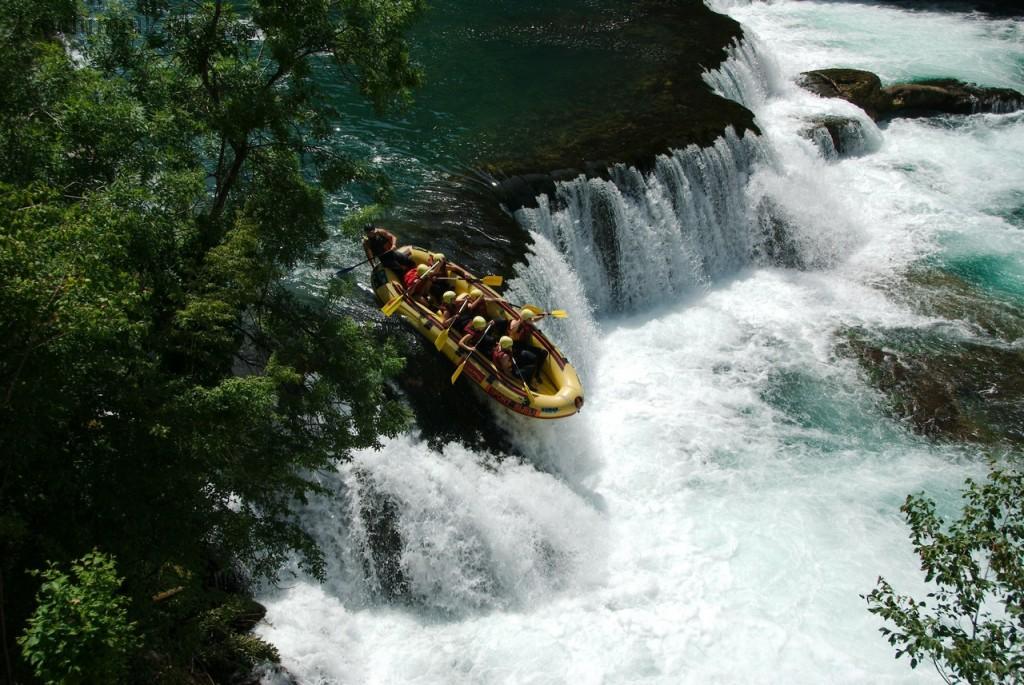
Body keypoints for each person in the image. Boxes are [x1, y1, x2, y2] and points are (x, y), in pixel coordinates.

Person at [507, 308, 547, 382]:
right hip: (516, 348)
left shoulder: (527, 321)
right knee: (534, 358)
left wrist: (543, 316)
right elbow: (512, 329)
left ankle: (536, 373)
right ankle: (528, 381)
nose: (532, 320)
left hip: (523, 346)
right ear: (525, 319)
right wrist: (520, 320)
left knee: (544, 352)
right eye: (530, 318)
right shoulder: (515, 324)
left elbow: (534, 319)